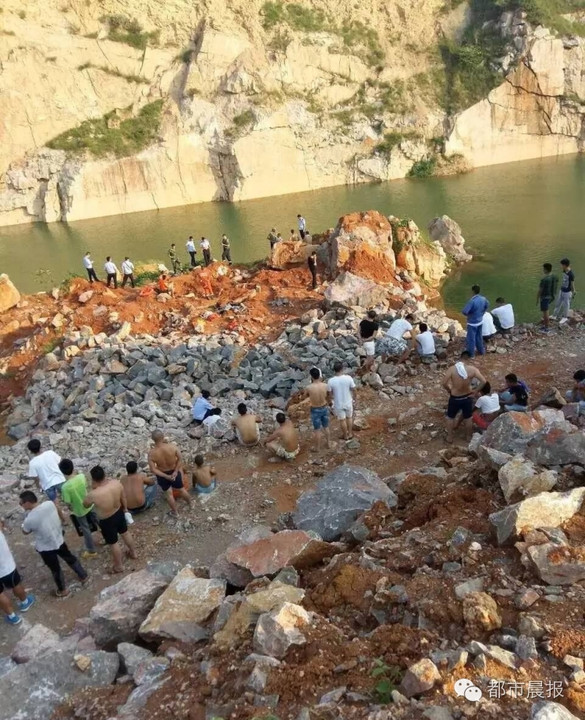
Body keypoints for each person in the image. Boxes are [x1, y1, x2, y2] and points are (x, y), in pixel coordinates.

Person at [20, 491, 88, 597]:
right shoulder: (49, 504)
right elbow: (57, 510)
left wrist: (24, 522)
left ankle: (63, 590)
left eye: (21, 503)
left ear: (27, 503)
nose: (21, 505)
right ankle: (83, 575)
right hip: (58, 538)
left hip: (45, 547)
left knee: (55, 568)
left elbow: (25, 532)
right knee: (69, 557)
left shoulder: (30, 519)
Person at [84, 467, 137, 573]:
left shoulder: (93, 494)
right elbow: (123, 497)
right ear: (104, 474)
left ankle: (119, 566)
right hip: (119, 512)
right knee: (125, 533)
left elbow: (85, 505)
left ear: (93, 479)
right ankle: (133, 552)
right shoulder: (116, 483)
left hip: (106, 519)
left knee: (113, 543)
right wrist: (125, 509)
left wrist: (93, 487)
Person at [442, 352, 486, 443]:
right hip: (467, 396)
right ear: (468, 359)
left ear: (460, 358)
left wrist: (449, 390)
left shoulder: (452, 369)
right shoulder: (473, 369)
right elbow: (483, 381)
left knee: (450, 417)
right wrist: (476, 391)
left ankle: (450, 437)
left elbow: (444, 383)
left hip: (455, 397)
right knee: (468, 418)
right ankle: (468, 437)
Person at [58, 459, 98, 558]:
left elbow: (67, 502)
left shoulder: (65, 487)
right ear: (73, 467)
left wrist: (70, 508)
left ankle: (91, 551)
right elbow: (86, 487)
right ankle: (108, 537)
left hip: (79, 511)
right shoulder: (81, 477)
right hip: (89, 504)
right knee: (98, 521)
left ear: (62, 471)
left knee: (85, 529)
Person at [148, 430, 191, 516]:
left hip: (162, 474)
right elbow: (180, 459)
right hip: (174, 471)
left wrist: (166, 476)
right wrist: (175, 471)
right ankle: (190, 504)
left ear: (153, 440)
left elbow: (153, 470)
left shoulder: (151, 453)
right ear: (163, 437)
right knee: (181, 490)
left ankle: (175, 512)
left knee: (168, 494)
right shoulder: (172, 447)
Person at [0, 521, 35, 625]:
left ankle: (12, 616)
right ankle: (25, 602)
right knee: (16, 584)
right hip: (7, 567)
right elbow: (1, 523)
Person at [327, 361, 356, 441]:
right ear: (342, 369)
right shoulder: (348, 378)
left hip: (338, 403)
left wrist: (330, 403)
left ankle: (345, 435)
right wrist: (354, 399)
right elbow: (354, 389)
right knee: (349, 417)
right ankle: (350, 433)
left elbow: (329, 394)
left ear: (334, 370)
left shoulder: (331, 381)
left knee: (342, 420)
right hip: (348, 401)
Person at [306, 367, 331, 452]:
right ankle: (328, 443)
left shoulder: (309, 387)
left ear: (311, 376)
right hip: (324, 407)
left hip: (315, 409)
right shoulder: (325, 385)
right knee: (326, 427)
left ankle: (317, 448)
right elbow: (328, 396)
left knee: (317, 430)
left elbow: (305, 396)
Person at [462, 285, 489, 357]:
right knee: (479, 336)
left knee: (471, 338)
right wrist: (482, 313)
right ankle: (481, 351)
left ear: (473, 291)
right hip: (480, 321)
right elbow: (487, 305)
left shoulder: (472, 301)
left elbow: (464, 311)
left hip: (472, 323)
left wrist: (470, 315)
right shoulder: (483, 299)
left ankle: (472, 354)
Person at [537, 263, 558, 331]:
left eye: (543, 269)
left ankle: (546, 328)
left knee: (545, 312)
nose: (543, 270)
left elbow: (540, 290)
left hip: (545, 297)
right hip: (551, 296)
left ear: (545, 269)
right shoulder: (554, 276)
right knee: (546, 311)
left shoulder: (544, 279)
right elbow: (556, 284)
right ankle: (545, 324)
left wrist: (537, 298)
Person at [554, 258, 576, 324]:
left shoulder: (571, 274)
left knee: (566, 305)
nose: (561, 266)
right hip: (562, 289)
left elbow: (572, 284)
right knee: (558, 303)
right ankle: (555, 315)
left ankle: (565, 317)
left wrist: (573, 291)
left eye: (562, 265)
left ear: (565, 265)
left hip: (567, 292)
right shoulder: (564, 270)